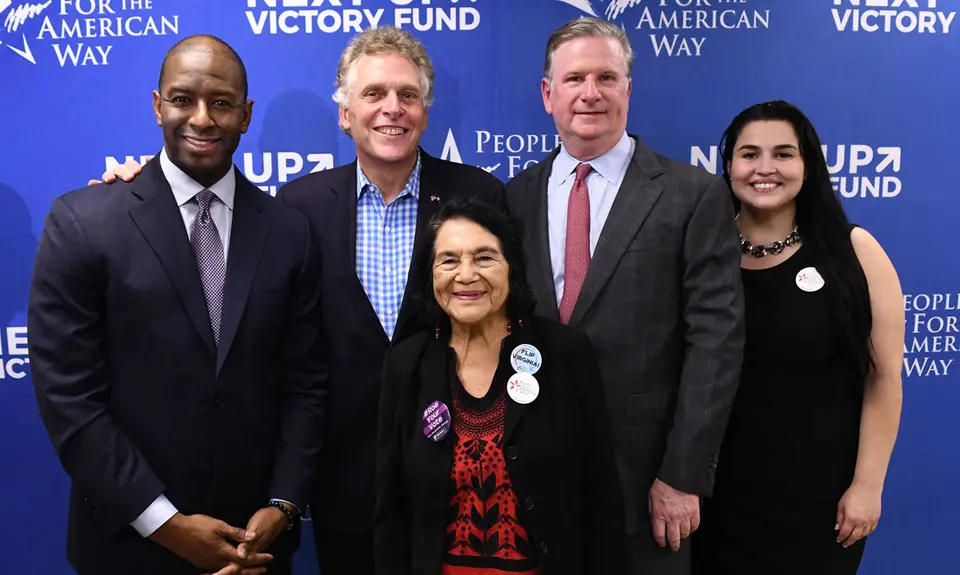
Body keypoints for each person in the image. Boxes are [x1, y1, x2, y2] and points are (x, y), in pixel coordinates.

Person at [91, 26, 505, 575]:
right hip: (341, 485)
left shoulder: (479, 195)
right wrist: (138, 187)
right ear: (345, 113)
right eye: (373, 94)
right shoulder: (297, 207)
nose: (392, 109)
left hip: (464, 473)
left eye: (408, 96)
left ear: (425, 112)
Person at [28, 35, 326, 575]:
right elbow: (70, 398)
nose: (202, 118)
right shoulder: (82, 222)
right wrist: (164, 523)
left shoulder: (289, 232)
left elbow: (306, 384)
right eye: (183, 98)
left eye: (221, 103)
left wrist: (283, 505)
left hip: (254, 547)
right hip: (127, 546)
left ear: (246, 113)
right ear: (157, 104)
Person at [504, 18, 745, 575]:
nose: (590, 93)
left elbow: (717, 342)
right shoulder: (514, 196)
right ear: (548, 94)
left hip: (647, 483)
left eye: (606, 77)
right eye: (574, 79)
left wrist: (683, 475)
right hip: (533, 479)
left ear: (628, 90)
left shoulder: (693, 194)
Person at [691, 100, 904, 574]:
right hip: (714, 500)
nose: (765, 168)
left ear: (808, 166)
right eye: (749, 154)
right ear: (728, 167)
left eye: (783, 154)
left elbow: (884, 378)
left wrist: (868, 487)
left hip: (821, 505)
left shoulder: (854, 251)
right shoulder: (701, 254)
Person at [374, 197, 627, 575]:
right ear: (430, 274)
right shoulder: (407, 363)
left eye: (484, 257)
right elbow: (390, 507)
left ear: (512, 267)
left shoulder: (564, 352)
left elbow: (602, 494)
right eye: (448, 260)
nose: (465, 275)